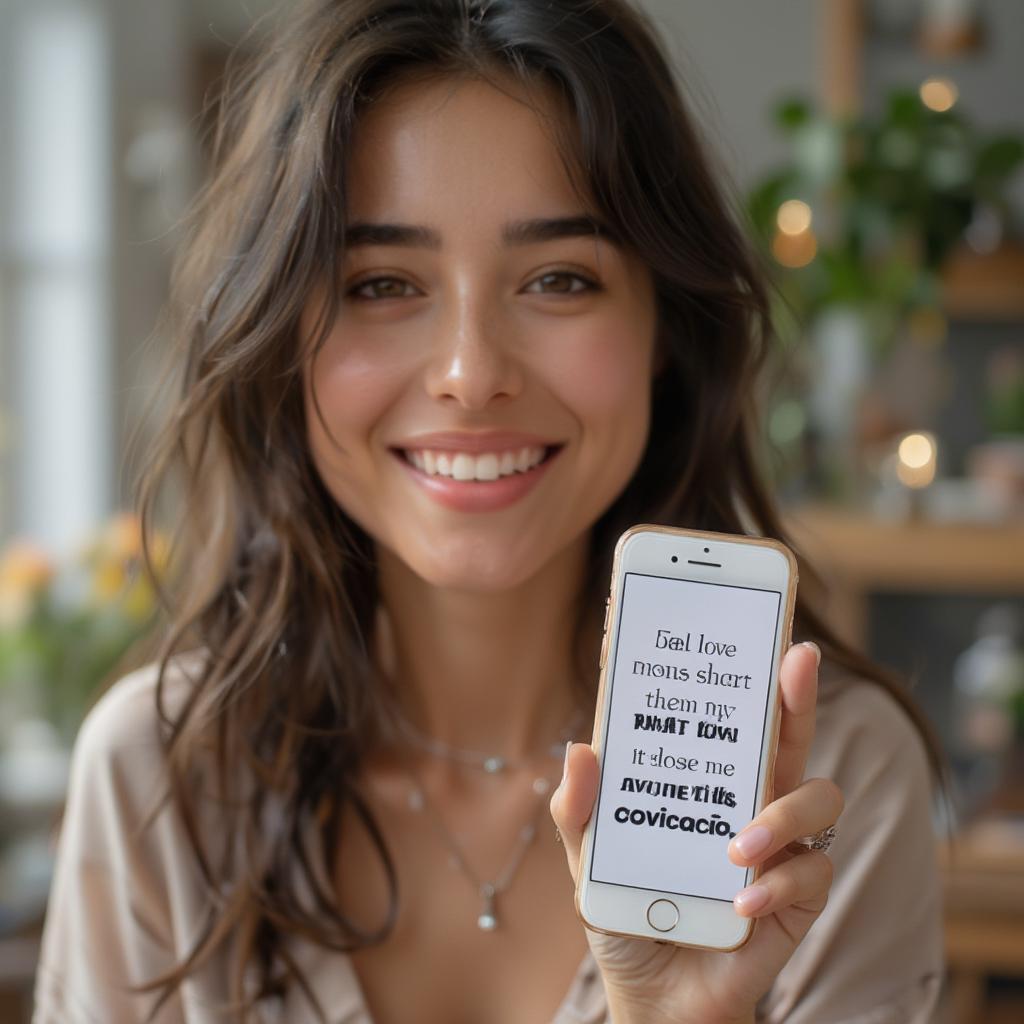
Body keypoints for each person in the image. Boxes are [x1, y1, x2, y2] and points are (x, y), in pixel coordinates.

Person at [32, 1, 945, 1021]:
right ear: (280, 336)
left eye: (559, 278)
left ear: (663, 329)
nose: (471, 374)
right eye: (380, 283)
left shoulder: (825, 798)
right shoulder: (162, 779)